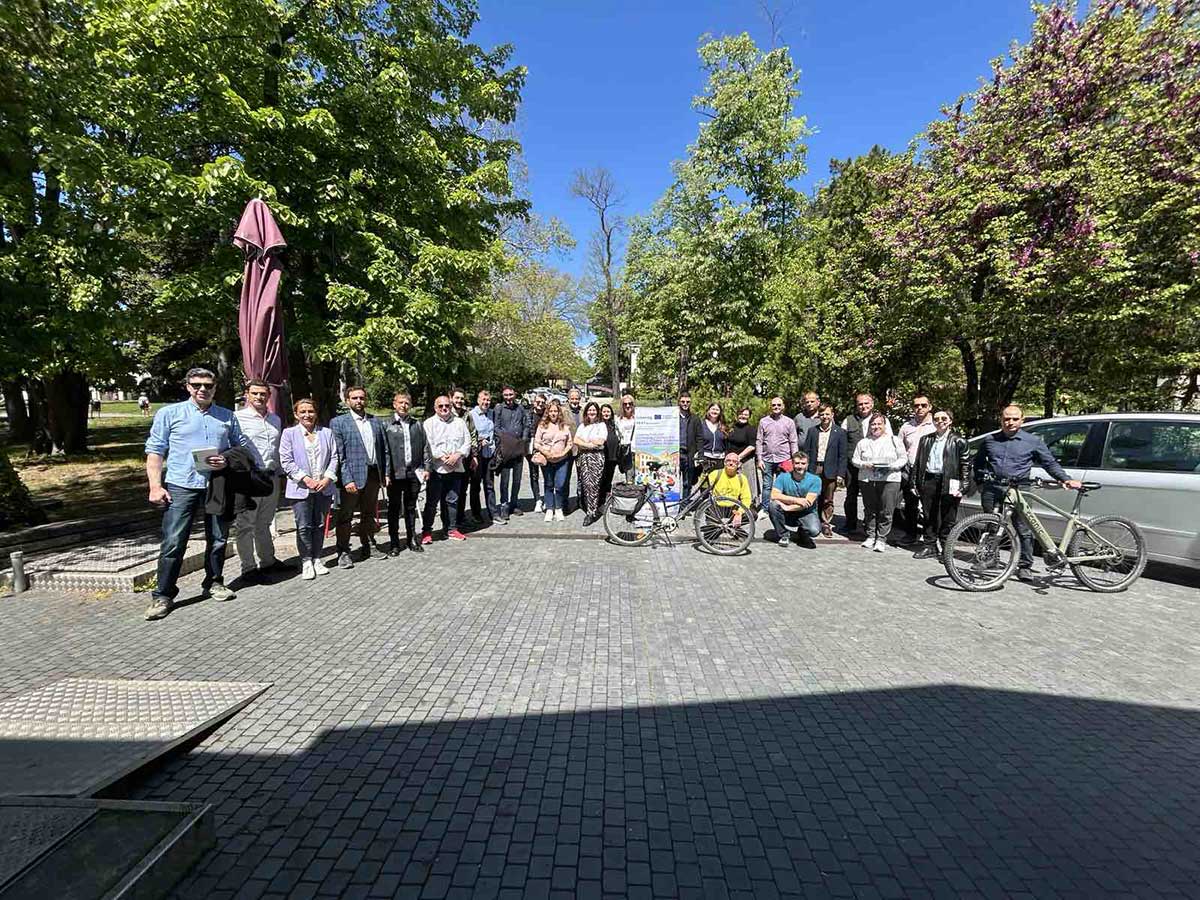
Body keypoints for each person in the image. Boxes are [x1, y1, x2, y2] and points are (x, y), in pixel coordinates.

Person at [143, 367, 248, 621]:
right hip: (182, 485)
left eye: (208, 385)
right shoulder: (170, 413)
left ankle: (214, 582)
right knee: (173, 541)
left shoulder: (226, 416)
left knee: (219, 538)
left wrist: (226, 459)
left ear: (215, 388)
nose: (203, 389)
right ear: (188, 387)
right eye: (197, 385)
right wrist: (155, 486)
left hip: (217, 484)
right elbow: (155, 451)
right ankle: (163, 595)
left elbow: (241, 447)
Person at [974, 405, 1082, 582]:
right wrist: (980, 481)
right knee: (992, 525)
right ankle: (990, 558)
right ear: (1001, 420)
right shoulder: (990, 440)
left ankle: (1025, 566)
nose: (1010, 422)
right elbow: (978, 462)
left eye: (1015, 419)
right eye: (1006, 419)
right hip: (993, 488)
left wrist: (1065, 479)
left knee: (1024, 528)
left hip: (1019, 489)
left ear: (1022, 420)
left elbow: (1049, 463)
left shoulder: (1033, 441)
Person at [330, 386, 389, 568]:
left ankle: (369, 544)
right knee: (345, 516)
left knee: (369, 513)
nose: (358, 401)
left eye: (362, 398)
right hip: (351, 477)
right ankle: (343, 551)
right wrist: (346, 479)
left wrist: (385, 473)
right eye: (354, 398)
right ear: (347, 401)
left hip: (373, 475)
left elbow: (384, 450)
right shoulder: (338, 423)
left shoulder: (376, 421)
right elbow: (339, 454)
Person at [279, 398, 339, 579]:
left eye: (311, 411)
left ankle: (317, 558)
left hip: (323, 488)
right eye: (303, 412)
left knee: (320, 525)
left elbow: (334, 457)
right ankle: (306, 561)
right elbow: (286, 461)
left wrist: (327, 478)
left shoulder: (326, 433)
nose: (307, 415)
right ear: (296, 414)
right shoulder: (289, 434)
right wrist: (305, 479)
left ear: (316, 413)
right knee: (304, 526)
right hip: (300, 489)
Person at [234, 379, 286, 580]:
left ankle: (268, 561)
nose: (259, 397)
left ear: (269, 396)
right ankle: (248, 568)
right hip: (249, 478)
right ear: (247, 394)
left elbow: (277, 449)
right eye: (255, 393)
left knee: (264, 523)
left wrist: (281, 474)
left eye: (263, 393)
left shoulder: (275, 420)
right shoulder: (237, 418)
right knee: (245, 525)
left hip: (271, 476)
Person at [911, 409, 969, 560]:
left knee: (948, 517)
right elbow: (918, 462)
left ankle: (946, 549)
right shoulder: (926, 439)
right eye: (936, 419)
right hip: (929, 479)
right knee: (928, 515)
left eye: (944, 418)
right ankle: (929, 545)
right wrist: (914, 482)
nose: (940, 421)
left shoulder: (959, 441)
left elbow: (965, 464)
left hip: (949, 481)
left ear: (950, 421)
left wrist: (964, 485)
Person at [852, 412, 908, 552]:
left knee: (886, 510)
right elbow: (854, 459)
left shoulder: (894, 440)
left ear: (884, 425)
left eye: (879, 424)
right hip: (867, 479)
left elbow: (903, 458)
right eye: (873, 424)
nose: (876, 426)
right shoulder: (863, 442)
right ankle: (870, 536)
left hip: (889, 479)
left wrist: (892, 466)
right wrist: (864, 464)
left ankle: (881, 538)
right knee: (870, 509)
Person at [421, 395, 470, 544]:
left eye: (447, 406)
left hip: (456, 467)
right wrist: (443, 457)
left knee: (452, 500)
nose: (444, 408)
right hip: (437, 469)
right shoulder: (429, 423)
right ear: (435, 408)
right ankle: (427, 531)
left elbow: (467, 442)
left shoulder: (459, 422)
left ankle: (451, 529)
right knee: (432, 502)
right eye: (441, 406)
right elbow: (428, 445)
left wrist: (458, 455)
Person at [384, 392, 428, 554]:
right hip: (395, 474)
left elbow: (425, 447)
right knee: (394, 508)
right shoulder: (386, 425)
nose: (403, 405)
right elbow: (385, 451)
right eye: (400, 402)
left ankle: (411, 539)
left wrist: (426, 468)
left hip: (413, 472)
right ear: (394, 404)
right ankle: (394, 542)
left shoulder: (417, 424)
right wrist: (386, 473)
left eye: (407, 403)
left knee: (411, 507)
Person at [841, 393, 890, 536]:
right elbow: (842, 443)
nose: (863, 406)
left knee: (873, 497)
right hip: (853, 465)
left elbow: (889, 440)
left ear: (872, 404)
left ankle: (872, 525)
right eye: (860, 404)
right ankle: (850, 524)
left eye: (866, 403)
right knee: (851, 495)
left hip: (874, 466)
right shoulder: (848, 420)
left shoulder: (882, 420)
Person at [803, 403, 847, 538]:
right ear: (819, 416)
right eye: (822, 414)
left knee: (828, 498)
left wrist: (840, 474)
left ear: (832, 415)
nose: (825, 417)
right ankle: (813, 521)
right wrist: (805, 469)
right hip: (814, 468)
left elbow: (842, 455)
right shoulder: (812, 431)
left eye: (827, 414)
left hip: (831, 469)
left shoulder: (840, 432)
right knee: (813, 496)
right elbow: (806, 451)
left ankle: (826, 523)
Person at [897, 393, 936, 543]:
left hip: (929, 472)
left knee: (929, 507)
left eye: (923, 405)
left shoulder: (936, 425)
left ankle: (930, 538)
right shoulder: (906, 426)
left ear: (929, 407)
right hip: (910, 470)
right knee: (910, 505)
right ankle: (910, 535)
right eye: (916, 405)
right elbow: (899, 448)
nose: (919, 408)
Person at [755, 397, 799, 517]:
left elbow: (793, 441)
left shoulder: (789, 422)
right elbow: (759, 441)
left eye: (779, 405)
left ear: (783, 406)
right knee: (767, 485)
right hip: (767, 459)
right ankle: (765, 509)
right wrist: (759, 459)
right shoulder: (763, 421)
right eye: (774, 405)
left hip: (784, 459)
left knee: (783, 486)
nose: (776, 407)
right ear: (770, 406)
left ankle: (781, 508)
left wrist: (794, 459)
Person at [768, 451, 822, 548]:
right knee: (773, 506)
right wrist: (797, 500)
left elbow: (807, 503)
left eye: (803, 463)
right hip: (787, 514)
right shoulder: (783, 477)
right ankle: (784, 535)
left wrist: (788, 507)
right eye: (797, 463)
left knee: (814, 530)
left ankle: (802, 532)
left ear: (807, 465)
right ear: (792, 464)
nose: (800, 466)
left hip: (806, 513)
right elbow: (774, 495)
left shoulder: (815, 480)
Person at [492, 385, 529, 521]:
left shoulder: (520, 408)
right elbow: (496, 427)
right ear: (503, 396)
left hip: (518, 447)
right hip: (506, 448)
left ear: (515, 394)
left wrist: (523, 439)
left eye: (510, 394)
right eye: (506, 395)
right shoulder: (499, 408)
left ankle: (514, 503)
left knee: (517, 479)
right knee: (505, 480)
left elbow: (526, 425)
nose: (508, 397)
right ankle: (504, 505)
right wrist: (506, 439)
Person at [534, 400, 573, 522]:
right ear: (548, 412)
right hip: (547, 460)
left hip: (562, 460)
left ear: (559, 413)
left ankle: (559, 508)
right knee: (549, 484)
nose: (553, 413)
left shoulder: (564, 426)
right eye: (551, 411)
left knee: (560, 484)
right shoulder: (542, 426)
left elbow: (570, 443)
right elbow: (536, 443)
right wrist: (546, 453)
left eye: (555, 411)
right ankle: (550, 509)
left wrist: (562, 453)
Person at [573, 401, 608, 525]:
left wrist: (585, 442)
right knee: (585, 484)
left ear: (597, 412)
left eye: (594, 410)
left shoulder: (601, 425)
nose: (591, 412)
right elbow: (576, 440)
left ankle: (591, 513)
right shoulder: (582, 426)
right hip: (583, 457)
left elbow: (600, 441)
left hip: (596, 457)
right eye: (589, 410)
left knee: (594, 484)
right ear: (586, 412)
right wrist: (590, 444)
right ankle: (589, 507)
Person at [450, 387, 481, 526]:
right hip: (450, 457)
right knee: (451, 490)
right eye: (457, 398)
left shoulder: (467, 414)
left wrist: (474, 455)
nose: (459, 400)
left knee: (463, 489)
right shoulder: (446, 412)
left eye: (462, 398)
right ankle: (450, 520)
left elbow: (473, 434)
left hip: (465, 457)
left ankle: (460, 517)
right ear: (451, 398)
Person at [468, 390, 498, 523]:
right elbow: (468, 433)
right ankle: (476, 514)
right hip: (477, 455)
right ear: (478, 400)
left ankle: (493, 513)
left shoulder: (492, 413)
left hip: (489, 454)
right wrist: (479, 440)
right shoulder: (471, 415)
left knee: (489, 484)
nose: (486, 402)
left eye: (488, 400)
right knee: (475, 485)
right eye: (483, 400)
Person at [705, 450, 753, 525]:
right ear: (724, 463)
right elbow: (704, 489)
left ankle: (731, 525)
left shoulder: (742, 478)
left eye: (734, 461)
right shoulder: (715, 474)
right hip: (718, 507)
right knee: (710, 530)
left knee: (753, 514)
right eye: (728, 461)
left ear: (738, 464)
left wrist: (739, 513)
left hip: (733, 509)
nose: (731, 463)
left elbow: (746, 498)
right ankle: (716, 527)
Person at [725, 406, 759, 503]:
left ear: (749, 416)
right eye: (741, 414)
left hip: (746, 461)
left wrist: (738, 458)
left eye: (746, 414)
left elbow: (752, 446)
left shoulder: (751, 429)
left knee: (747, 484)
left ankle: (749, 504)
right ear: (737, 415)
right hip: (731, 461)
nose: (743, 416)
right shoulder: (731, 428)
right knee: (732, 483)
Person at [562, 387, 584, 512]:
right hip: (567, 449)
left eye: (577, 398)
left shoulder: (583, 411)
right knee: (565, 477)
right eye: (572, 398)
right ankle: (564, 503)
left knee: (582, 477)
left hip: (581, 449)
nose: (575, 401)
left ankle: (580, 501)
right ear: (568, 399)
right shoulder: (562, 411)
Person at [677, 392, 703, 498]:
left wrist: (700, 454)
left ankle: (685, 504)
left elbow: (699, 438)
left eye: (688, 402)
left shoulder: (695, 419)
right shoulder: (672, 418)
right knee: (672, 481)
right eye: (683, 401)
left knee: (687, 483)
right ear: (679, 402)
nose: (685, 404)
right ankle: (673, 504)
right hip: (675, 454)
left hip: (688, 455)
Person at [526, 393, 548, 512]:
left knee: (547, 475)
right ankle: (537, 499)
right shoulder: (528, 414)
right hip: (531, 448)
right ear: (534, 402)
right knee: (534, 474)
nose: (540, 404)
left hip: (545, 447)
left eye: (542, 402)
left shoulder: (547, 414)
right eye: (538, 402)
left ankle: (547, 498)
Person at [598, 403, 621, 509]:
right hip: (602, 457)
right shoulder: (598, 425)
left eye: (608, 411)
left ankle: (606, 501)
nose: (606, 414)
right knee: (601, 480)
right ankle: (599, 502)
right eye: (604, 412)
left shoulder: (614, 424)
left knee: (608, 480)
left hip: (613, 457)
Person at [615, 394, 637, 482]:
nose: (628, 406)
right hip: (626, 451)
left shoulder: (638, 417)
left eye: (630, 403)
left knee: (641, 477)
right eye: (625, 404)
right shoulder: (618, 419)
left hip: (638, 450)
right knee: (629, 477)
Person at [699, 402, 727, 469]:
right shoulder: (701, 424)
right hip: (705, 458)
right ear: (708, 410)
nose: (714, 411)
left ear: (720, 412)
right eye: (713, 409)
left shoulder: (723, 426)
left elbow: (726, 443)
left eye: (717, 410)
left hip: (720, 459)